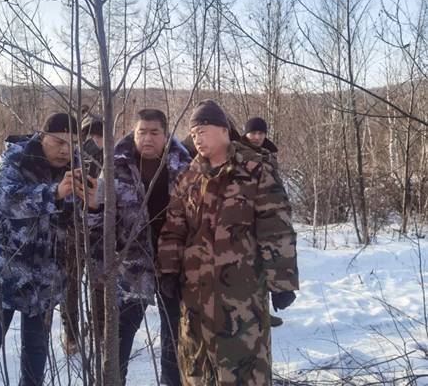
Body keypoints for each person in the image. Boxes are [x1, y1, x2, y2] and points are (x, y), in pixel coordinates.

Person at [158, 100, 299, 385]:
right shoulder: (189, 177)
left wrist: (282, 283)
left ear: (223, 130)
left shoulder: (255, 171)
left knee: (245, 371)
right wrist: (169, 271)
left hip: (241, 298)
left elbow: (276, 228)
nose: (196, 138)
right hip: (195, 299)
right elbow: (174, 227)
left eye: (202, 130)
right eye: (193, 133)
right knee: (198, 373)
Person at [0, 112, 96, 386]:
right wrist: (54, 193)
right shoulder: (15, 158)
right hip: (3, 274)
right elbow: (5, 200)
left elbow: (79, 222)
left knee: (36, 350)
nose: (65, 150)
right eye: (59, 142)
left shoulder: (79, 166)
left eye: (72, 143)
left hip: (47, 277)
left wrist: (92, 205)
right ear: (42, 136)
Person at [89, 109, 191, 385]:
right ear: (133, 133)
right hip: (131, 266)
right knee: (121, 333)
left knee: (174, 334)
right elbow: (100, 218)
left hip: (174, 264)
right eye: (141, 132)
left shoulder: (184, 165)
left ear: (166, 135)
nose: (147, 138)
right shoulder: (115, 165)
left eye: (154, 132)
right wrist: (100, 266)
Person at [60, 113, 105, 354]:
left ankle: (92, 333)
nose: (97, 140)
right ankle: (77, 335)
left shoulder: (107, 155)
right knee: (75, 284)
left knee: (90, 283)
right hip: (76, 229)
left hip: (92, 228)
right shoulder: (76, 155)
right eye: (94, 135)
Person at [242, 116, 285, 328]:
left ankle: (263, 312)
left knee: (265, 267)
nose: (257, 137)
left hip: (269, 214)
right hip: (249, 218)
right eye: (253, 133)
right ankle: (251, 314)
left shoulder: (269, 153)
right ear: (246, 133)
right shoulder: (240, 153)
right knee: (249, 271)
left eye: (260, 133)